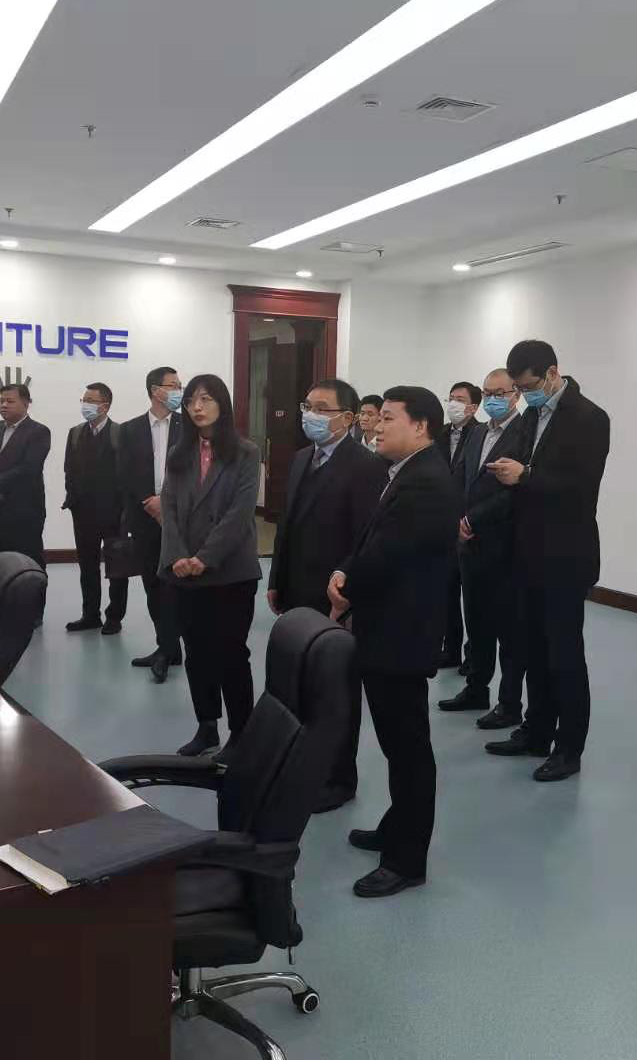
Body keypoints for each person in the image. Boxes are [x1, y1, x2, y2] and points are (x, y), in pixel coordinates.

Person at [328, 386, 458, 898]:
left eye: (387, 418)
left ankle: (407, 860)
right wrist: (346, 572)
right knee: (396, 744)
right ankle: (395, 826)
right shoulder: (406, 473)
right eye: (376, 417)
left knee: (408, 749)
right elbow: (371, 541)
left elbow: (390, 556)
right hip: (387, 627)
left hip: (401, 634)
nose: (376, 426)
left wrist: (346, 593)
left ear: (421, 426)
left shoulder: (426, 482)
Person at [484, 340, 609, 782]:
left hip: (565, 554)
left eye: (529, 385)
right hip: (524, 551)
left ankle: (568, 748)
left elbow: (581, 488)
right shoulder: (531, 415)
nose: (524, 394)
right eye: (518, 388)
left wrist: (526, 476)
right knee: (530, 649)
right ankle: (535, 730)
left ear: (553, 373)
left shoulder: (589, 418)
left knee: (563, 654)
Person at [267, 378, 387, 812]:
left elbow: (365, 538)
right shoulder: (302, 457)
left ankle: (339, 778)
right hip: (296, 590)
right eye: (308, 406)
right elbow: (286, 525)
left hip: (337, 597)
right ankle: (301, 763)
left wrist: (350, 596)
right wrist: (276, 579)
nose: (311, 416)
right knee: (299, 682)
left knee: (337, 690)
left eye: (322, 408)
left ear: (348, 418)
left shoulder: (366, 466)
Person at [159, 374, 262, 758]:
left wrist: (204, 558)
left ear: (223, 403)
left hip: (230, 573)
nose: (197, 407)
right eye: (190, 401)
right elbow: (169, 508)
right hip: (183, 571)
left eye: (206, 399)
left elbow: (240, 514)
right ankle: (207, 727)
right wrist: (178, 557)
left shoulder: (246, 453)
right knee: (197, 653)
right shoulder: (179, 453)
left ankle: (242, 733)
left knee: (231, 653)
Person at [442, 369, 526, 727]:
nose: (492, 399)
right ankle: (476, 688)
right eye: (487, 393)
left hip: (504, 545)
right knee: (476, 623)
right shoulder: (477, 432)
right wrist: (457, 519)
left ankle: (509, 703)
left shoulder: (525, 432)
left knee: (508, 630)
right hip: (469, 544)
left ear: (515, 394)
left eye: (499, 393)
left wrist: (473, 519)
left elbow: (516, 492)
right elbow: (461, 479)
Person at [122, 367, 184, 682]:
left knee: (176, 584)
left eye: (179, 385)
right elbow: (125, 473)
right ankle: (168, 647)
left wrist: (166, 502)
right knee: (152, 584)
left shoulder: (189, 426)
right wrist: (149, 501)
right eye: (173, 385)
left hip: (181, 518)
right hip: (144, 516)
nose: (178, 390)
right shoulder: (129, 429)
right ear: (154, 390)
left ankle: (169, 648)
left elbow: (195, 472)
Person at [62, 382, 129, 635]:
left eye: (91, 400)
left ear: (105, 406)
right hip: (83, 513)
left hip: (114, 514)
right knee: (87, 566)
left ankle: (114, 617)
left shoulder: (120, 433)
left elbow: (128, 474)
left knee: (117, 568)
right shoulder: (75, 433)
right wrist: (72, 499)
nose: (85, 405)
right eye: (84, 400)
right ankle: (90, 615)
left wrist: (126, 511)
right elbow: (69, 469)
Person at [0, 383, 50, 566]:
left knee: (28, 561)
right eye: (1, 401)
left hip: (24, 508)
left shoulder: (38, 431)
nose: (4, 405)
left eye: (10, 401)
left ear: (25, 403)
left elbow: (29, 468)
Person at [437, 381, 485, 670]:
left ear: (473, 407)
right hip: (443, 523)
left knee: (473, 598)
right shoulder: (440, 434)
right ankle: (450, 649)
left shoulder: (481, 434)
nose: (453, 403)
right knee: (447, 592)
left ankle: (473, 657)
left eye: (460, 399)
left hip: (468, 526)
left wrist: (467, 518)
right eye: (450, 398)